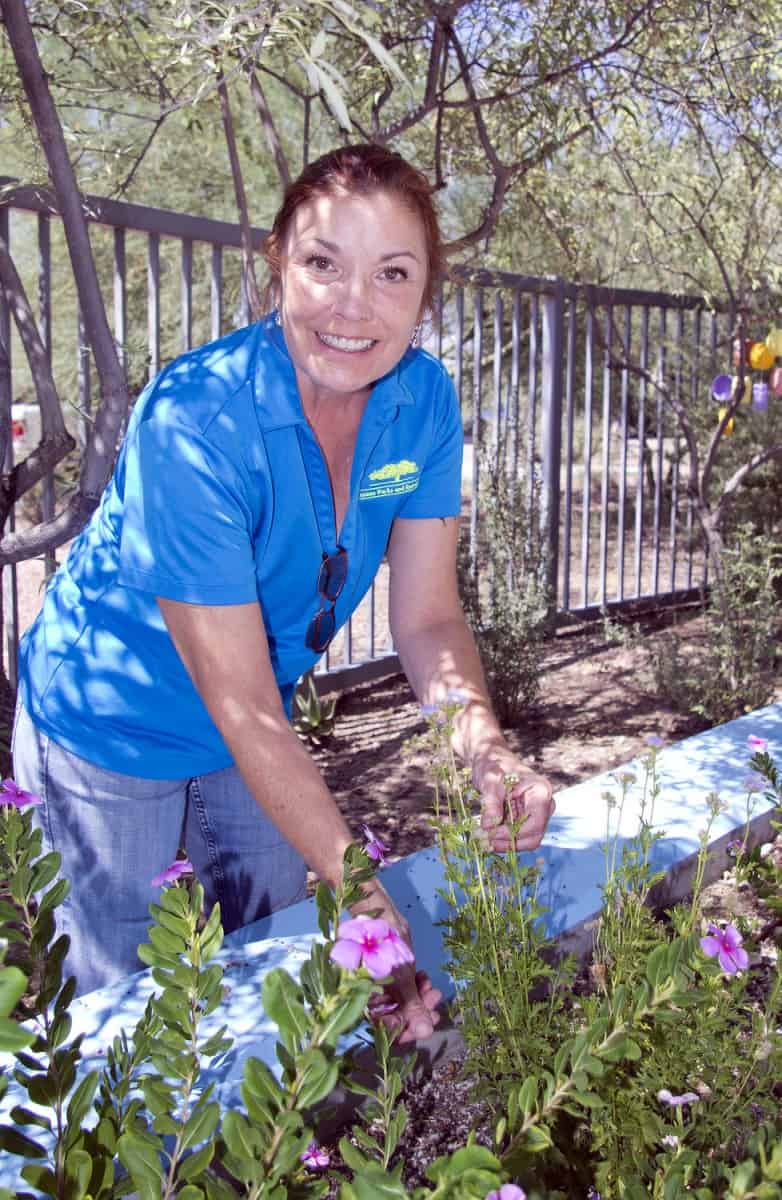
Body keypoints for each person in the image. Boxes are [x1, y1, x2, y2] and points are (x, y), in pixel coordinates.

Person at [13, 143, 554, 1038]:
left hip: (253, 719)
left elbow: (427, 617)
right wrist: (361, 893)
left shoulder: (422, 400)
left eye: (392, 273)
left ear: (427, 291)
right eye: (323, 264)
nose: (353, 305)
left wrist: (485, 753)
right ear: (278, 265)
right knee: (122, 1018)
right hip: (113, 725)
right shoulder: (196, 420)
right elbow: (246, 711)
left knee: (271, 960)